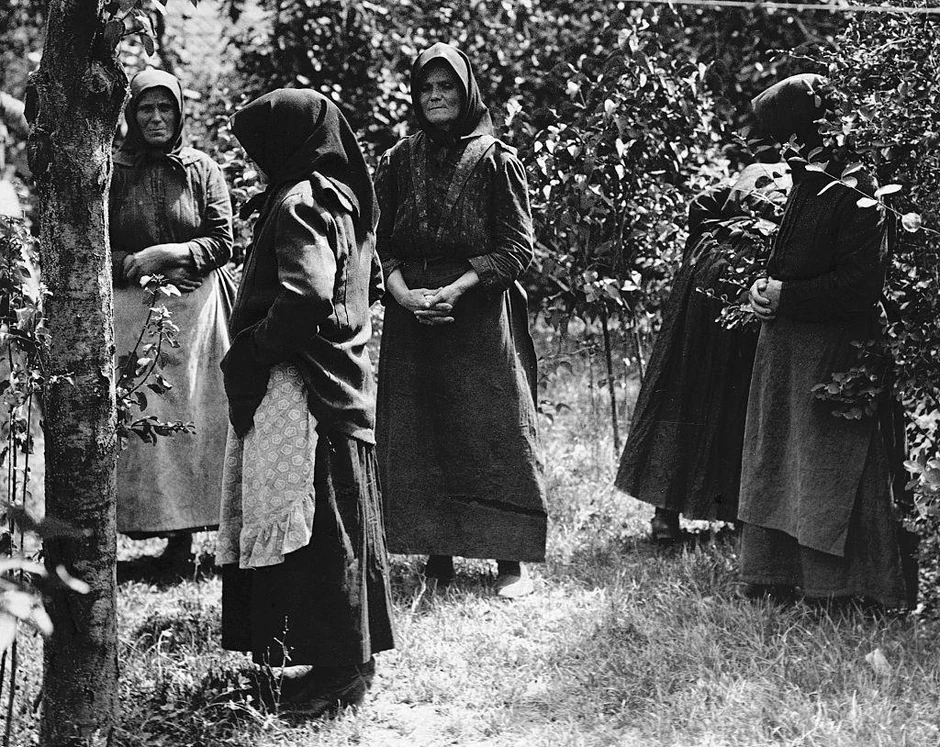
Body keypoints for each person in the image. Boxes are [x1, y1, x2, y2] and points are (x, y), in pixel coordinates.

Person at [218, 88, 394, 717]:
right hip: (341, 383)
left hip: (307, 391)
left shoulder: (297, 203)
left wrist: (256, 348)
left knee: (317, 532)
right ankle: (350, 662)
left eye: (260, 148)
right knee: (339, 520)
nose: (258, 161)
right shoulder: (343, 197)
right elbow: (359, 287)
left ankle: (338, 674)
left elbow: (309, 294)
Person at [374, 42, 547, 598]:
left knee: (491, 426)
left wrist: (457, 286)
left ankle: (511, 560)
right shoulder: (398, 160)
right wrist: (401, 294)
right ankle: (437, 552)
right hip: (413, 311)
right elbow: (378, 244)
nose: (436, 97)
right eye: (426, 88)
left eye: (446, 86)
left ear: (466, 90)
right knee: (421, 427)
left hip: (476, 312)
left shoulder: (497, 160)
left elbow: (519, 248)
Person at [738, 74, 911, 607]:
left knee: (829, 466)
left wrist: (787, 295)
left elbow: (860, 287)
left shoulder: (858, 189)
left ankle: (844, 587)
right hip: (791, 349)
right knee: (782, 460)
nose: (783, 151)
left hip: (834, 352)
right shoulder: (810, 180)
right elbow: (790, 260)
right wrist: (761, 291)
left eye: (789, 138)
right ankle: (779, 575)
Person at [615, 160, 790, 542]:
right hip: (734, 277)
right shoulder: (785, 176)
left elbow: (701, 207)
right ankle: (699, 513)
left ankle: (684, 514)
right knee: (717, 394)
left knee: (707, 394)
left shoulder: (770, 175)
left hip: (717, 272)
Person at [110, 69, 235, 570]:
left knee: (195, 418)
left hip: (196, 314)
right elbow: (93, 242)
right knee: (137, 415)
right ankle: (136, 531)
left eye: (166, 108)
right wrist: (136, 264)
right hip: (131, 308)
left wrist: (176, 251)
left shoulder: (202, 169)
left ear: (180, 113)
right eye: (146, 109)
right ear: (131, 114)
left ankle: (184, 541)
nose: (156, 118)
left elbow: (225, 240)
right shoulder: (113, 170)